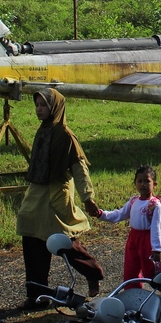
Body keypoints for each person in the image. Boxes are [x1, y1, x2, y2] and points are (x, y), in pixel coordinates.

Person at [16, 89, 104, 310]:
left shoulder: (66, 136)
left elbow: (80, 169)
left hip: (56, 197)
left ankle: (92, 272)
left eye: (43, 105)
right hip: (36, 195)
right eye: (37, 105)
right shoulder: (42, 131)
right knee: (31, 239)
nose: (39, 109)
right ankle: (37, 295)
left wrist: (88, 197)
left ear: (54, 107)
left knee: (63, 243)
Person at [94, 165, 161, 287]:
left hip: (147, 241)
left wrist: (156, 249)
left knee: (151, 273)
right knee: (130, 269)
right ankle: (133, 295)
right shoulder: (133, 201)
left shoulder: (155, 205)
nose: (143, 184)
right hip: (133, 239)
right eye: (140, 181)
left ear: (155, 184)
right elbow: (119, 214)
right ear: (135, 183)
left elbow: (156, 228)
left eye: (147, 181)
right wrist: (101, 214)